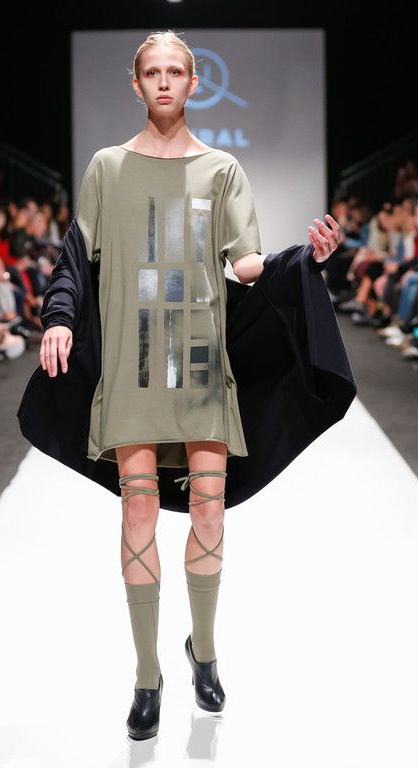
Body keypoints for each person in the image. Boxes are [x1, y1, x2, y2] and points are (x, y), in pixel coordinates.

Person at [37, 30, 344, 741]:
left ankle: (202, 649)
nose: (165, 81)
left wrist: (306, 258)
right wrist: (58, 318)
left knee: (210, 513)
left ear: (194, 82)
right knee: (138, 515)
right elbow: (76, 255)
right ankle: (147, 675)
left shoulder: (222, 169)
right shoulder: (107, 167)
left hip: (201, 360)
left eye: (176, 70)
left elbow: (246, 266)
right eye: (153, 71)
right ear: (136, 83)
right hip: (133, 363)